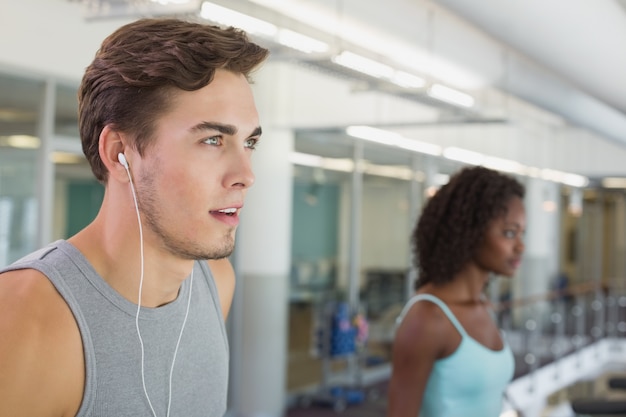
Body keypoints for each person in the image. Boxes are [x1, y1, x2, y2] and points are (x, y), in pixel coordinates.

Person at [0, 18, 268, 417]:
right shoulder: (25, 316)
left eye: (248, 143)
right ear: (119, 152)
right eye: (212, 140)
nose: (246, 175)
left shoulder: (215, 283)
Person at [387, 165, 526, 417]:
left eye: (521, 234)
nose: (520, 247)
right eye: (509, 233)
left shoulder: (482, 306)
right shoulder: (428, 318)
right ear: (471, 233)